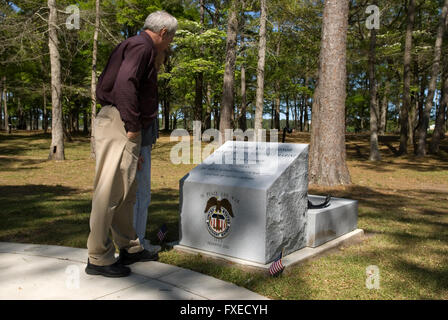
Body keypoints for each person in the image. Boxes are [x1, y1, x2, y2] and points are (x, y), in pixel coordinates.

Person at [85, 11, 177, 278]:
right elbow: (126, 84)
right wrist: (133, 127)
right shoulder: (141, 47)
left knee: (126, 191)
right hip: (120, 123)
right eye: (171, 37)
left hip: (122, 124)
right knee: (110, 192)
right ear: (163, 33)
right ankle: (99, 257)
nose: (170, 42)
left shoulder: (138, 46)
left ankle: (129, 247)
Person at [133, 49, 166, 254]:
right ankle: (137, 242)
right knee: (141, 195)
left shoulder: (145, 77)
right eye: (163, 58)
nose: (163, 64)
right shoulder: (142, 79)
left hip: (142, 143)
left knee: (139, 195)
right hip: (139, 145)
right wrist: (135, 149)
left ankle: (135, 239)